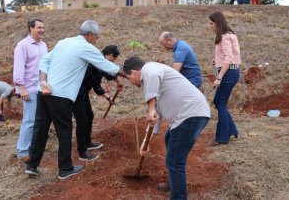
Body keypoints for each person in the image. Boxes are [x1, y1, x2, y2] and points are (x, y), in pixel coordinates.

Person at [25, 20, 122, 180]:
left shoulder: (63, 42)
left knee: (40, 129)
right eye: (96, 37)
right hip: (60, 96)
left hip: (43, 92)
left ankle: (32, 165)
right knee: (64, 131)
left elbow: (44, 60)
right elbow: (106, 65)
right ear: (90, 35)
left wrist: (43, 81)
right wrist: (125, 75)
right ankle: (65, 169)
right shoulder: (87, 47)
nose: (96, 40)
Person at [123, 56, 210, 200]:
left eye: (128, 78)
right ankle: (174, 183)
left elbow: (152, 109)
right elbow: (155, 118)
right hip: (188, 115)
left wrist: (150, 108)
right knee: (169, 138)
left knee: (175, 161)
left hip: (190, 114)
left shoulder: (150, 68)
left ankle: (178, 197)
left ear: (134, 73)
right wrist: (145, 142)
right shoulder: (152, 84)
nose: (131, 82)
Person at [73, 45, 123, 161]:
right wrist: (118, 78)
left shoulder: (98, 62)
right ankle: (82, 152)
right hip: (75, 92)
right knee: (82, 120)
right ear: (110, 55)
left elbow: (96, 86)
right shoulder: (97, 62)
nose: (112, 62)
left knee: (89, 116)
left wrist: (107, 97)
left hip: (82, 92)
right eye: (113, 59)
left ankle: (87, 142)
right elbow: (107, 73)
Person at [13, 18, 48, 163]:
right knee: (29, 120)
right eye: (39, 27)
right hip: (29, 88)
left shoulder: (43, 45)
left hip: (42, 87)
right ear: (30, 29)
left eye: (43, 27)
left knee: (38, 120)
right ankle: (22, 151)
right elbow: (19, 68)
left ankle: (32, 147)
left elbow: (45, 65)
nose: (42, 30)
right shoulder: (22, 45)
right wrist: (22, 89)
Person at [208, 11, 241, 146]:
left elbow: (229, 58)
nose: (209, 26)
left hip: (228, 74)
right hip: (232, 72)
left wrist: (219, 77)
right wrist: (216, 60)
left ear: (217, 23)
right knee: (218, 102)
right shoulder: (230, 35)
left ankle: (222, 138)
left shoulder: (224, 37)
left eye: (211, 23)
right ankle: (231, 129)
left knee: (220, 103)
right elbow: (229, 55)